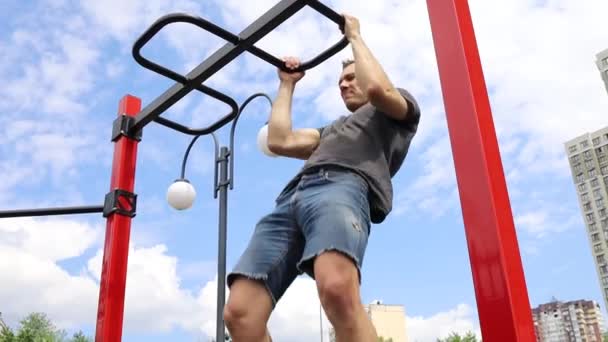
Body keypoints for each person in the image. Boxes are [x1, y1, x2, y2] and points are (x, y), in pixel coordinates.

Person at [223, 13, 421, 342]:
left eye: (350, 76)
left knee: (336, 289)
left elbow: (377, 87)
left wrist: (354, 37)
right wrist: (286, 85)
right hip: (291, 198)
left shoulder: (397, 110)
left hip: (342, 186)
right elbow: (279, 140)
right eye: (340, 81)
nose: (343, 84)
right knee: (240, 312)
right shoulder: (330, 129)